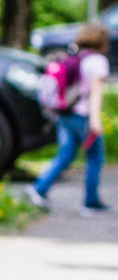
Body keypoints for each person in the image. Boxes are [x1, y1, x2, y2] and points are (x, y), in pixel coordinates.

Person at [28, 22, 110, 214]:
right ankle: (90, 202)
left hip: (65, 113)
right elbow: (95, 93)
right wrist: (96, 121)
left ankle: (39, 188)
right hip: (83, 116)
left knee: (65, 154)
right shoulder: (97, 61)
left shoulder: (76, 57)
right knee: (95, 157)